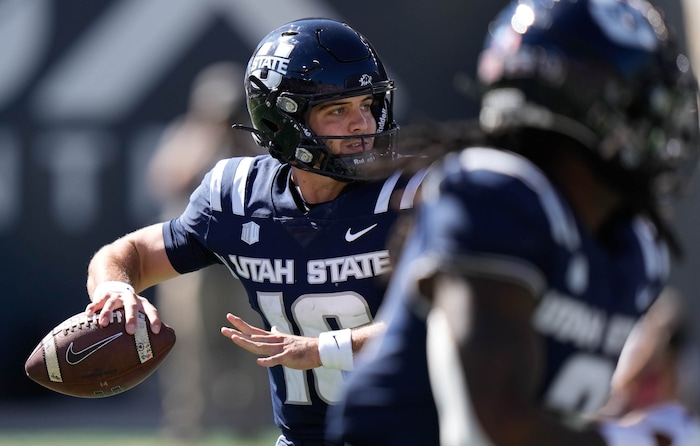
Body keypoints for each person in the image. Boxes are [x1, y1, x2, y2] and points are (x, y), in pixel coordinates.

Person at [328, 0, 700, 445]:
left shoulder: (632, 246)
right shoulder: (495, 196)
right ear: (598, 105)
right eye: (647, 104)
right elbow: (488, 424)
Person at [83, 18, 425, 446]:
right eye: (338, 110)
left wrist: (322, 350)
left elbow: (440, 323)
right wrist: (115, 288)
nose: (362, 124)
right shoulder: (237, 197)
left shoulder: (416, 193)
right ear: (283, 119)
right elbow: (127, 252)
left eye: (368, 104)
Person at [146, 62, 269, 440]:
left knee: (252, 345)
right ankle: (187, 427)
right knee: (189, 348)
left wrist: (238, 140)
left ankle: (250, 426)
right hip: (191, 265)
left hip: (241, 262)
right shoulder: (186, 135)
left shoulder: (253, 141)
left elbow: (267, 184)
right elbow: (169, 178)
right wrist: (207, 137)